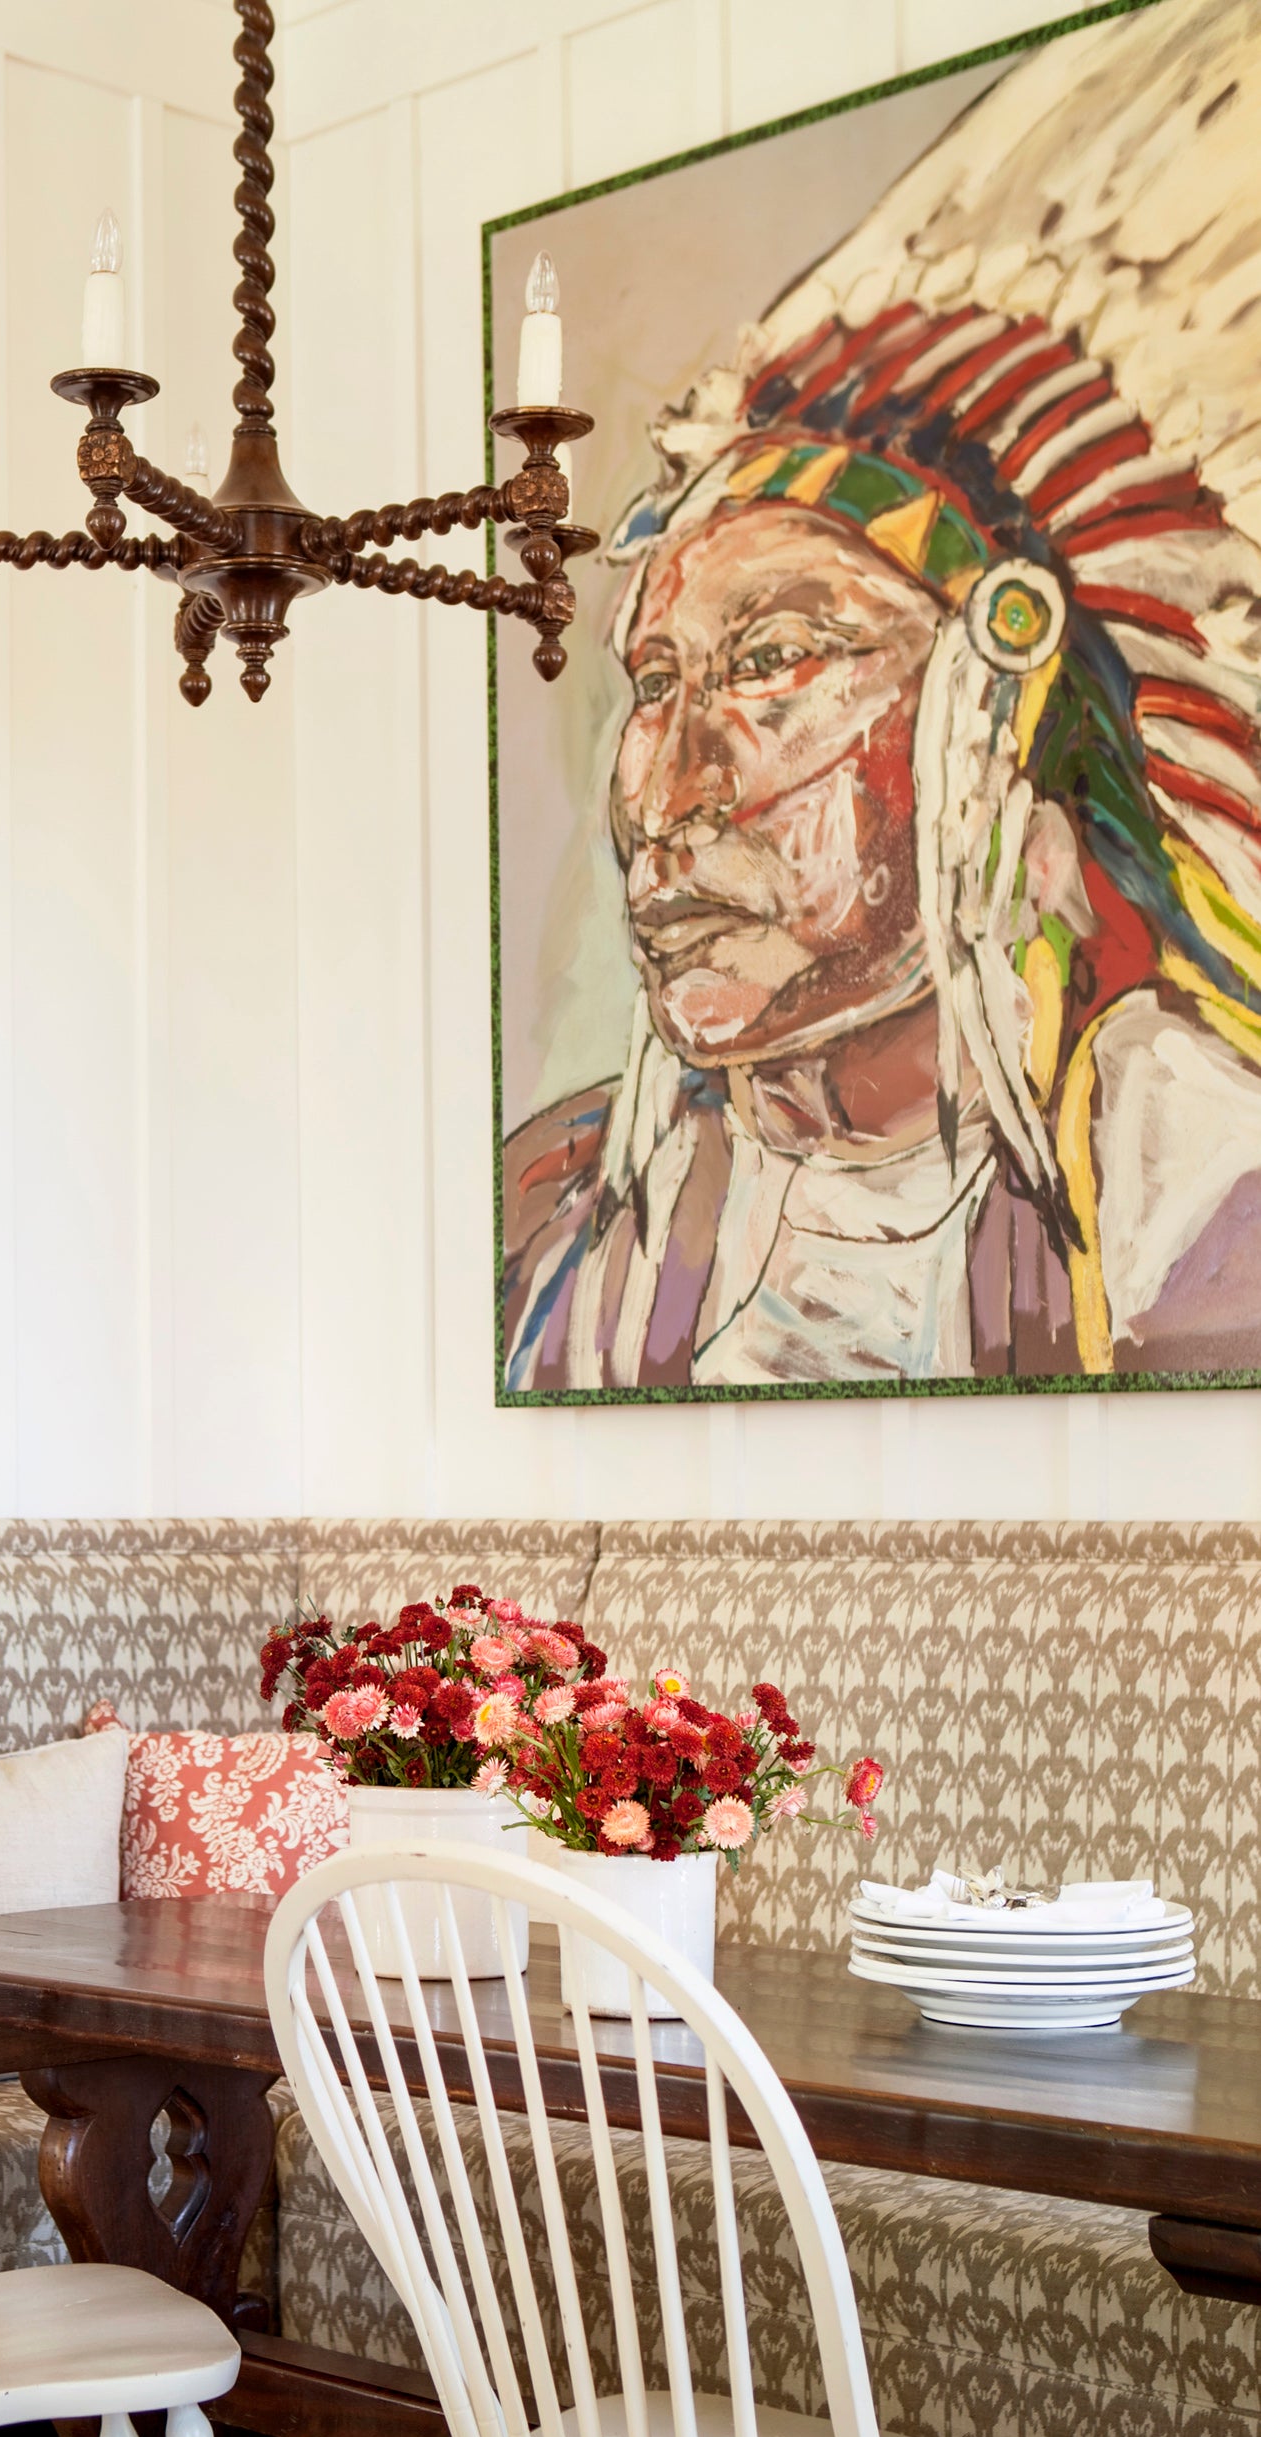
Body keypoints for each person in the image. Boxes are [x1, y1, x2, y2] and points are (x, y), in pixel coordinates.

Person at [502, 0, 1261, 1393]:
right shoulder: (559, 1226)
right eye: (655, 682)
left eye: (772, 661)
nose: (667, 796)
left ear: (993, 726)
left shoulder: (1189, 1191)